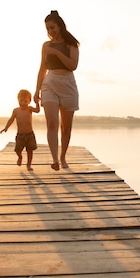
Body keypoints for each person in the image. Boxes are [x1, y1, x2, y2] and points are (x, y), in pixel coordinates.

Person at [34, 10, 80, 171]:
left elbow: (73, 65)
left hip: (67, 83)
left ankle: (63, 156)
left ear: (60, 26)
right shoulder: (46, 46)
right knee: (52, 123)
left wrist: (57, 53)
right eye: (48, 29)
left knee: (66, 127)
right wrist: (37, 90)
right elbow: (42, 69)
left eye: (52, 28)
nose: (50, 32)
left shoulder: (71, 44)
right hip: (50, 84)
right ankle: (54, 159)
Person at [0, 89, 41, 170]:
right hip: (20, 135)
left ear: (29, 101)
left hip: (29, 134)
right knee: (17, 150)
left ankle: (29, 164)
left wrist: (37, 104)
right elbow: (11, 119)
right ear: (18, 100)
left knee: (30, 151)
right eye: (21, 101)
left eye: (25, 101)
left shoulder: (29, 108)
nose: (23, 103)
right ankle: (20, 157)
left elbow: (37, 110)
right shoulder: (16, 111)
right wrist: (6, 127)